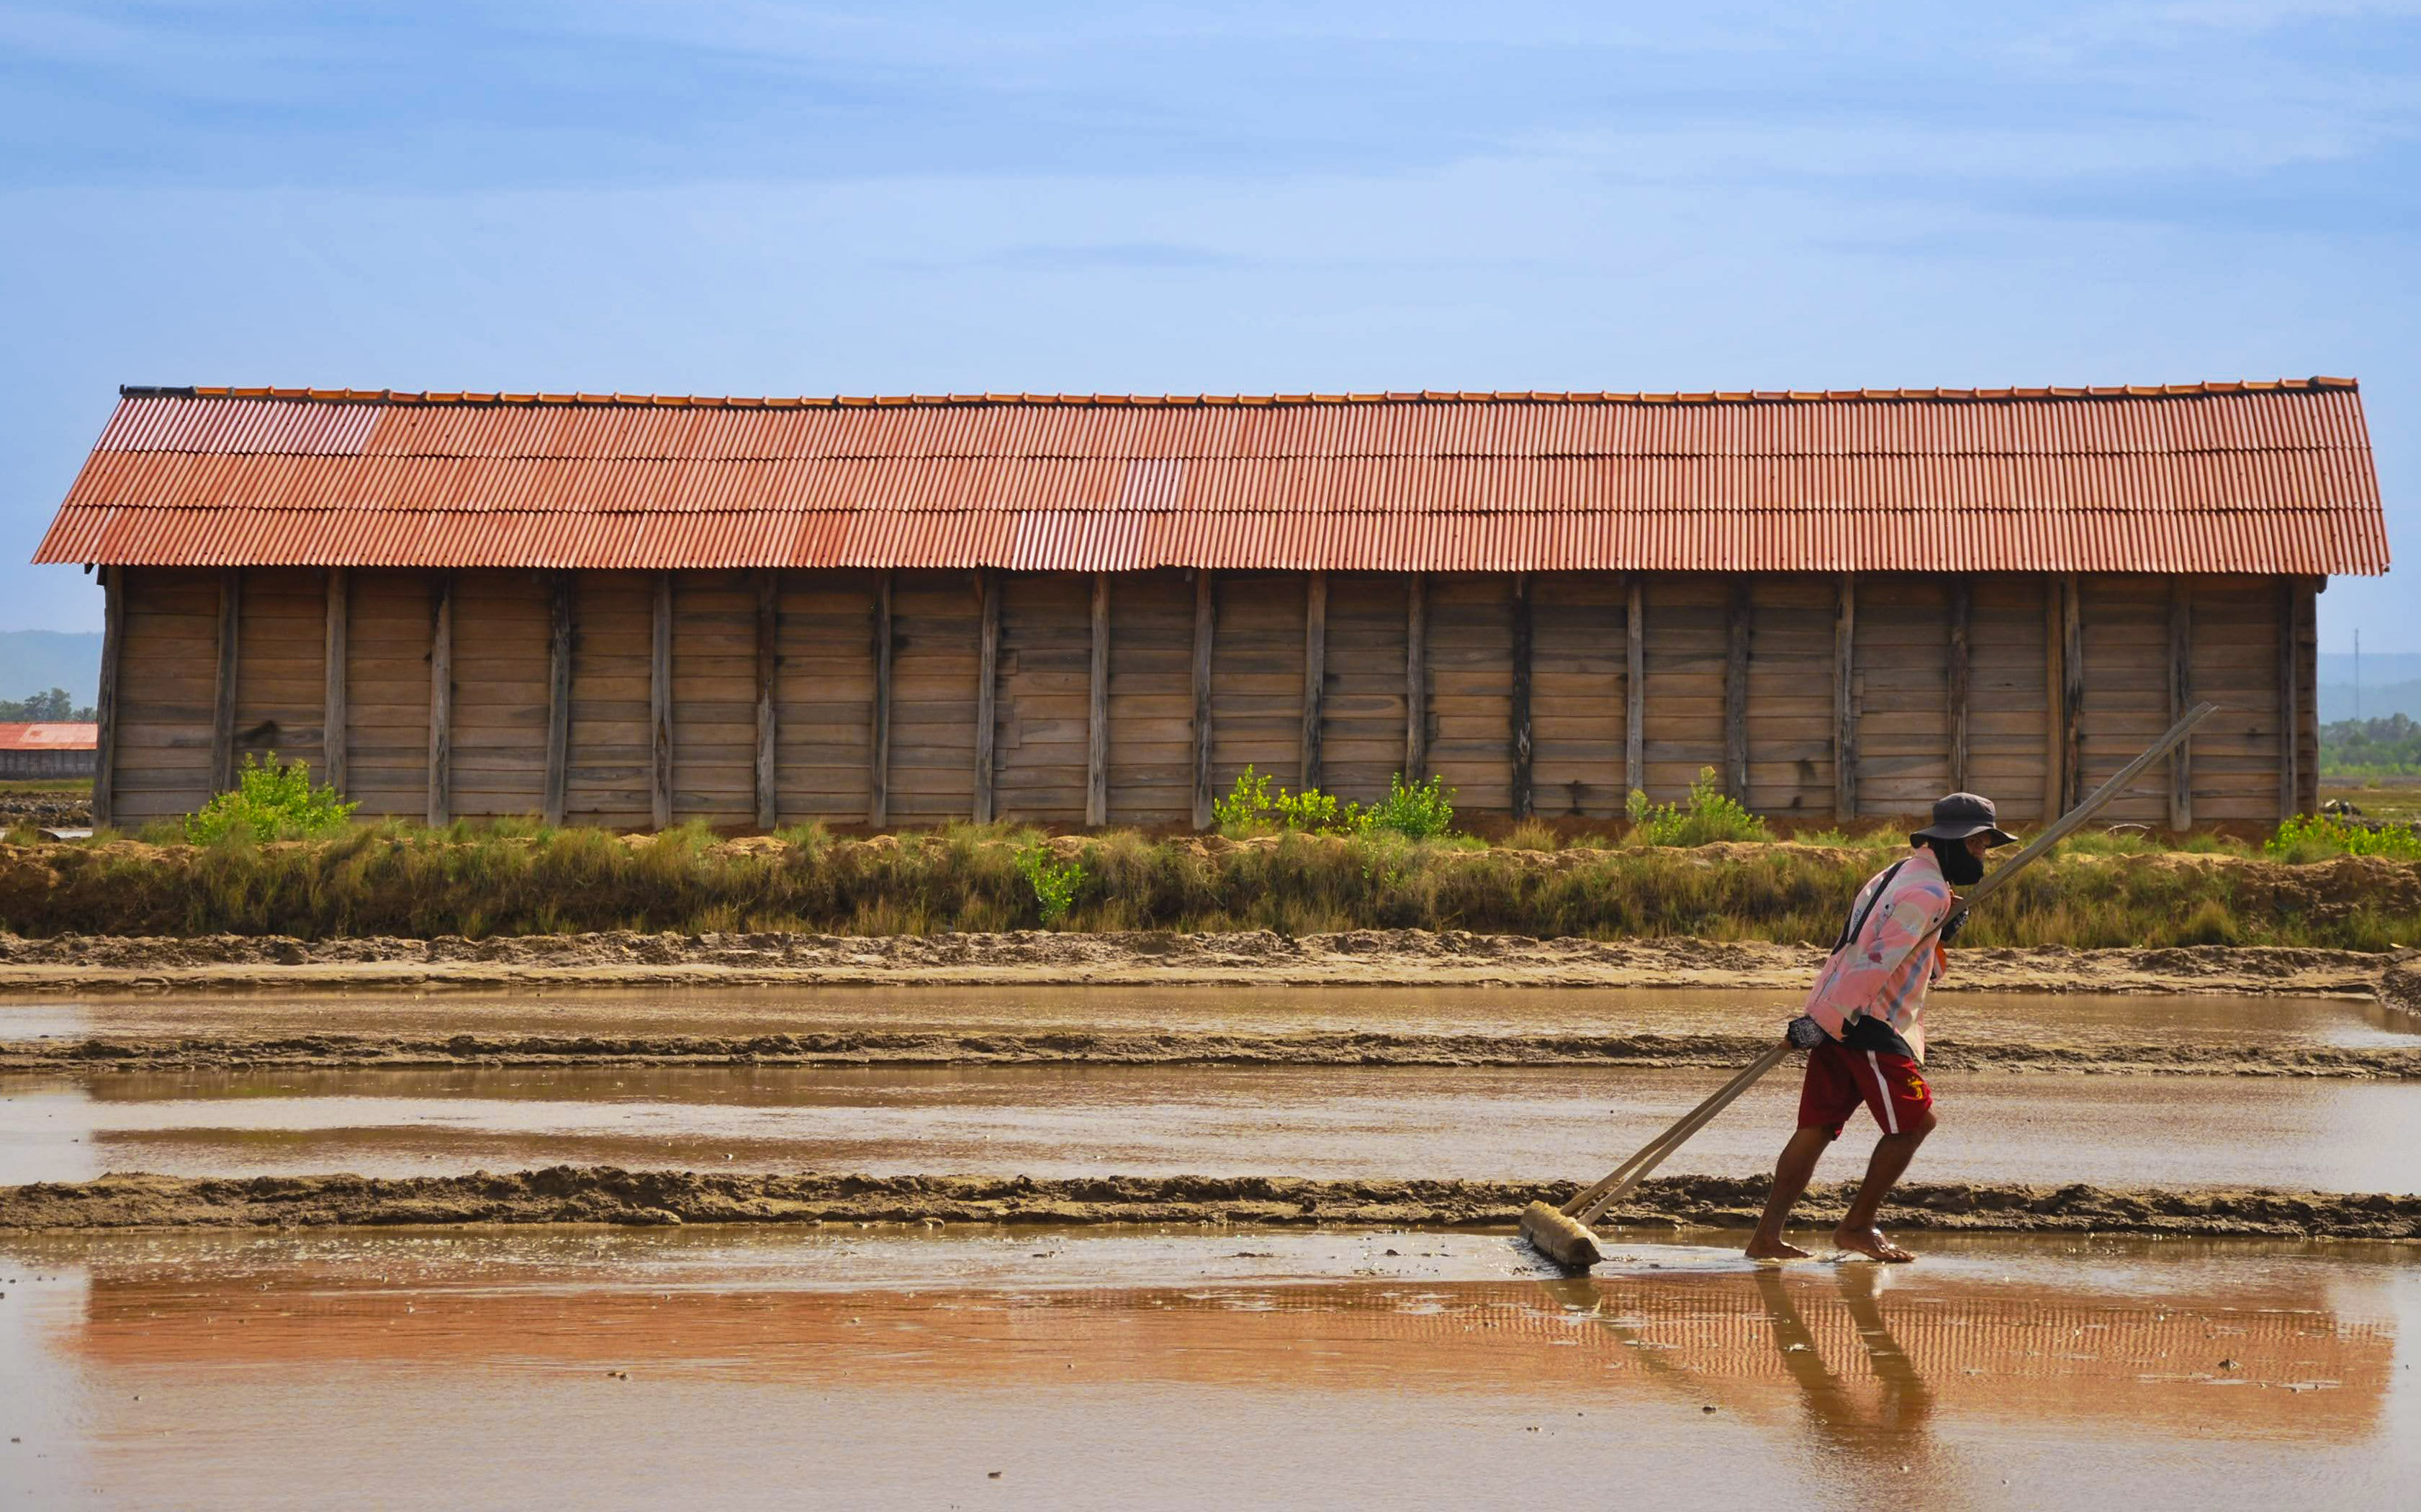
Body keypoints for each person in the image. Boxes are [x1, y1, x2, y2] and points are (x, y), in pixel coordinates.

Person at [1744, 792, 2016, 1263]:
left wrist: (1939, 933)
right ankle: (1856, 1225)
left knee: (1817, 1125)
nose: (1981, 857)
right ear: (1955, 842)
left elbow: (1884, 948)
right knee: (1915, 1123)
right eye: (1978, 847)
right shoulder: (1925, 893)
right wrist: (1822, 1024)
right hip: (1866, 1021)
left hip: (1837, 1008)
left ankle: (1766, 1237)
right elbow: (1875, 961)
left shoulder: (1897, 874)